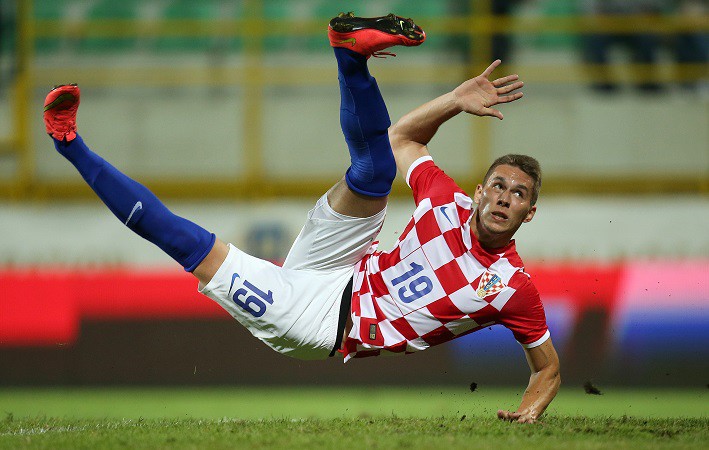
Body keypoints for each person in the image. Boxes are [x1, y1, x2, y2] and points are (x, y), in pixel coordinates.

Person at [43, 12, 560, 423]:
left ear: (529, 213)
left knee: (188, 243)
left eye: (517, 195)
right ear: (478, 191)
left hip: (317, 321)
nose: (503, 198)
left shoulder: (513, 287)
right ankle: (349, 53)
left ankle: (68, 143)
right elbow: (403, 138)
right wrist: (453, 100)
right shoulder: (445, 201)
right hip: (343, 266)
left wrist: (527, 412)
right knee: (375, 167)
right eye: (497, 185)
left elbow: (549, 370)